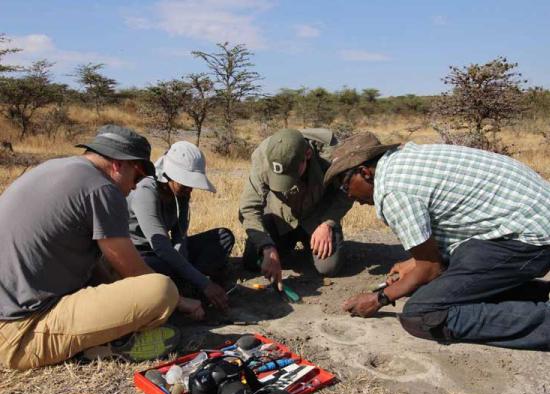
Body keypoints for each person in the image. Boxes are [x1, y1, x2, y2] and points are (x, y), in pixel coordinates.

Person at [323, 131, 550, 350]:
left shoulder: (393, 192)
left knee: (422, 314)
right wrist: (415, 264)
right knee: (432, 281)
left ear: (365, 172)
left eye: (345, 186)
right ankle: (537, 295)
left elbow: (431, 269)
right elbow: (452, 222)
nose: (350, 197)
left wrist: (379, 298)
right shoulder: (403, 161)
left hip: (532, 239)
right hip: (528, 224)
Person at [0, 125, 192, 369]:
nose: (135, 187)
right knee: (162, 290)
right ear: (118, 164)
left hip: (13, 311)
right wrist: (180, 300)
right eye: (138, 176)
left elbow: (101, 264)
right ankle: (103, 347)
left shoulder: (56, 168)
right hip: (20, 334)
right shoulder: (102, 188)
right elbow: (133, 272)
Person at [127, 141, 234, 315]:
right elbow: (160, 246)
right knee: (160, 267)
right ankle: (180, 289)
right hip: (145, 255)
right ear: (168, 175)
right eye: (185, 184)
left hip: (167, 252)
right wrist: (204, 282)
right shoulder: (145, 190)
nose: (189, 190)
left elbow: (180, 236)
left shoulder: (180, 193)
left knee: (223, 237)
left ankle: (184, 284)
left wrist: (184, 265)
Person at [239, 128, 353, 288]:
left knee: (329, 268)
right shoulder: (262, 157)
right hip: (280, 217)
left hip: (317, 218)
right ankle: (283, 246)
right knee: (253, 262)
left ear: (307, 155)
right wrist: (267, 246)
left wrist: (328, 223)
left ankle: (310, 243)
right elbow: (248, 208)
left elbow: (347, 191)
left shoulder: (331, 154)